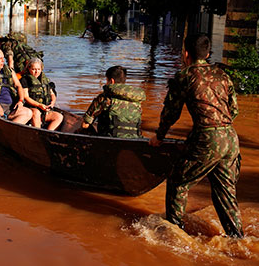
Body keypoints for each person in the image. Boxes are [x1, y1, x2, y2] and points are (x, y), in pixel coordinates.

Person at [148, 34, 244, 238]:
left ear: (186, 54)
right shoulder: (223, 75)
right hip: (231, 138)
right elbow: (234, 110)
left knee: (178, 182)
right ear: (208, 54)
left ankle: (174, 234)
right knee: (225, 192)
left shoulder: (184, 76)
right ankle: (237, 239)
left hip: (208, 139)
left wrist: (159, 136)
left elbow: (170, 113)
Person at [81, 66, 146, 138]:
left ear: (112, 81)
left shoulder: (104, 98)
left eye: (106, 80)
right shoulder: (136, 101)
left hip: (110, 139)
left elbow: (85, 124)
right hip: (134, 139)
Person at [20, 58, 63, 130]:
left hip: (44, 110)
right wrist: (39, 105)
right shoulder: (25, 80)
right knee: (36, 112)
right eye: (33, 69)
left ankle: (49, 134)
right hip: (32, 109)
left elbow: (52, 94)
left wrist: (52, 103)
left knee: (59, 116)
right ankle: (38, 133)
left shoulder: (44, 80)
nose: (36, 72)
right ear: (29, 68)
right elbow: (26, 97)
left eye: (38, 69)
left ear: (41, 69)